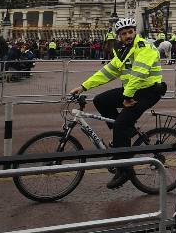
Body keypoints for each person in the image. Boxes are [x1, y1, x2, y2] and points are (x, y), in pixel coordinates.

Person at [68, 16, 167, 189]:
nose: (128, 35)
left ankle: (125, 170)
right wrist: (83, 87)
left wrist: (127, 97)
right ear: (119, 36)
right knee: (101, 101)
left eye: (130, 32)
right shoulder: (122, 50)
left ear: (135, 32)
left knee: (121, 124)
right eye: (124, 33)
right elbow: (107, 72)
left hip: (148, 91)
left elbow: (139, 74)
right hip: (132, 89)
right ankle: (125, 134)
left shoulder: (145, 47)